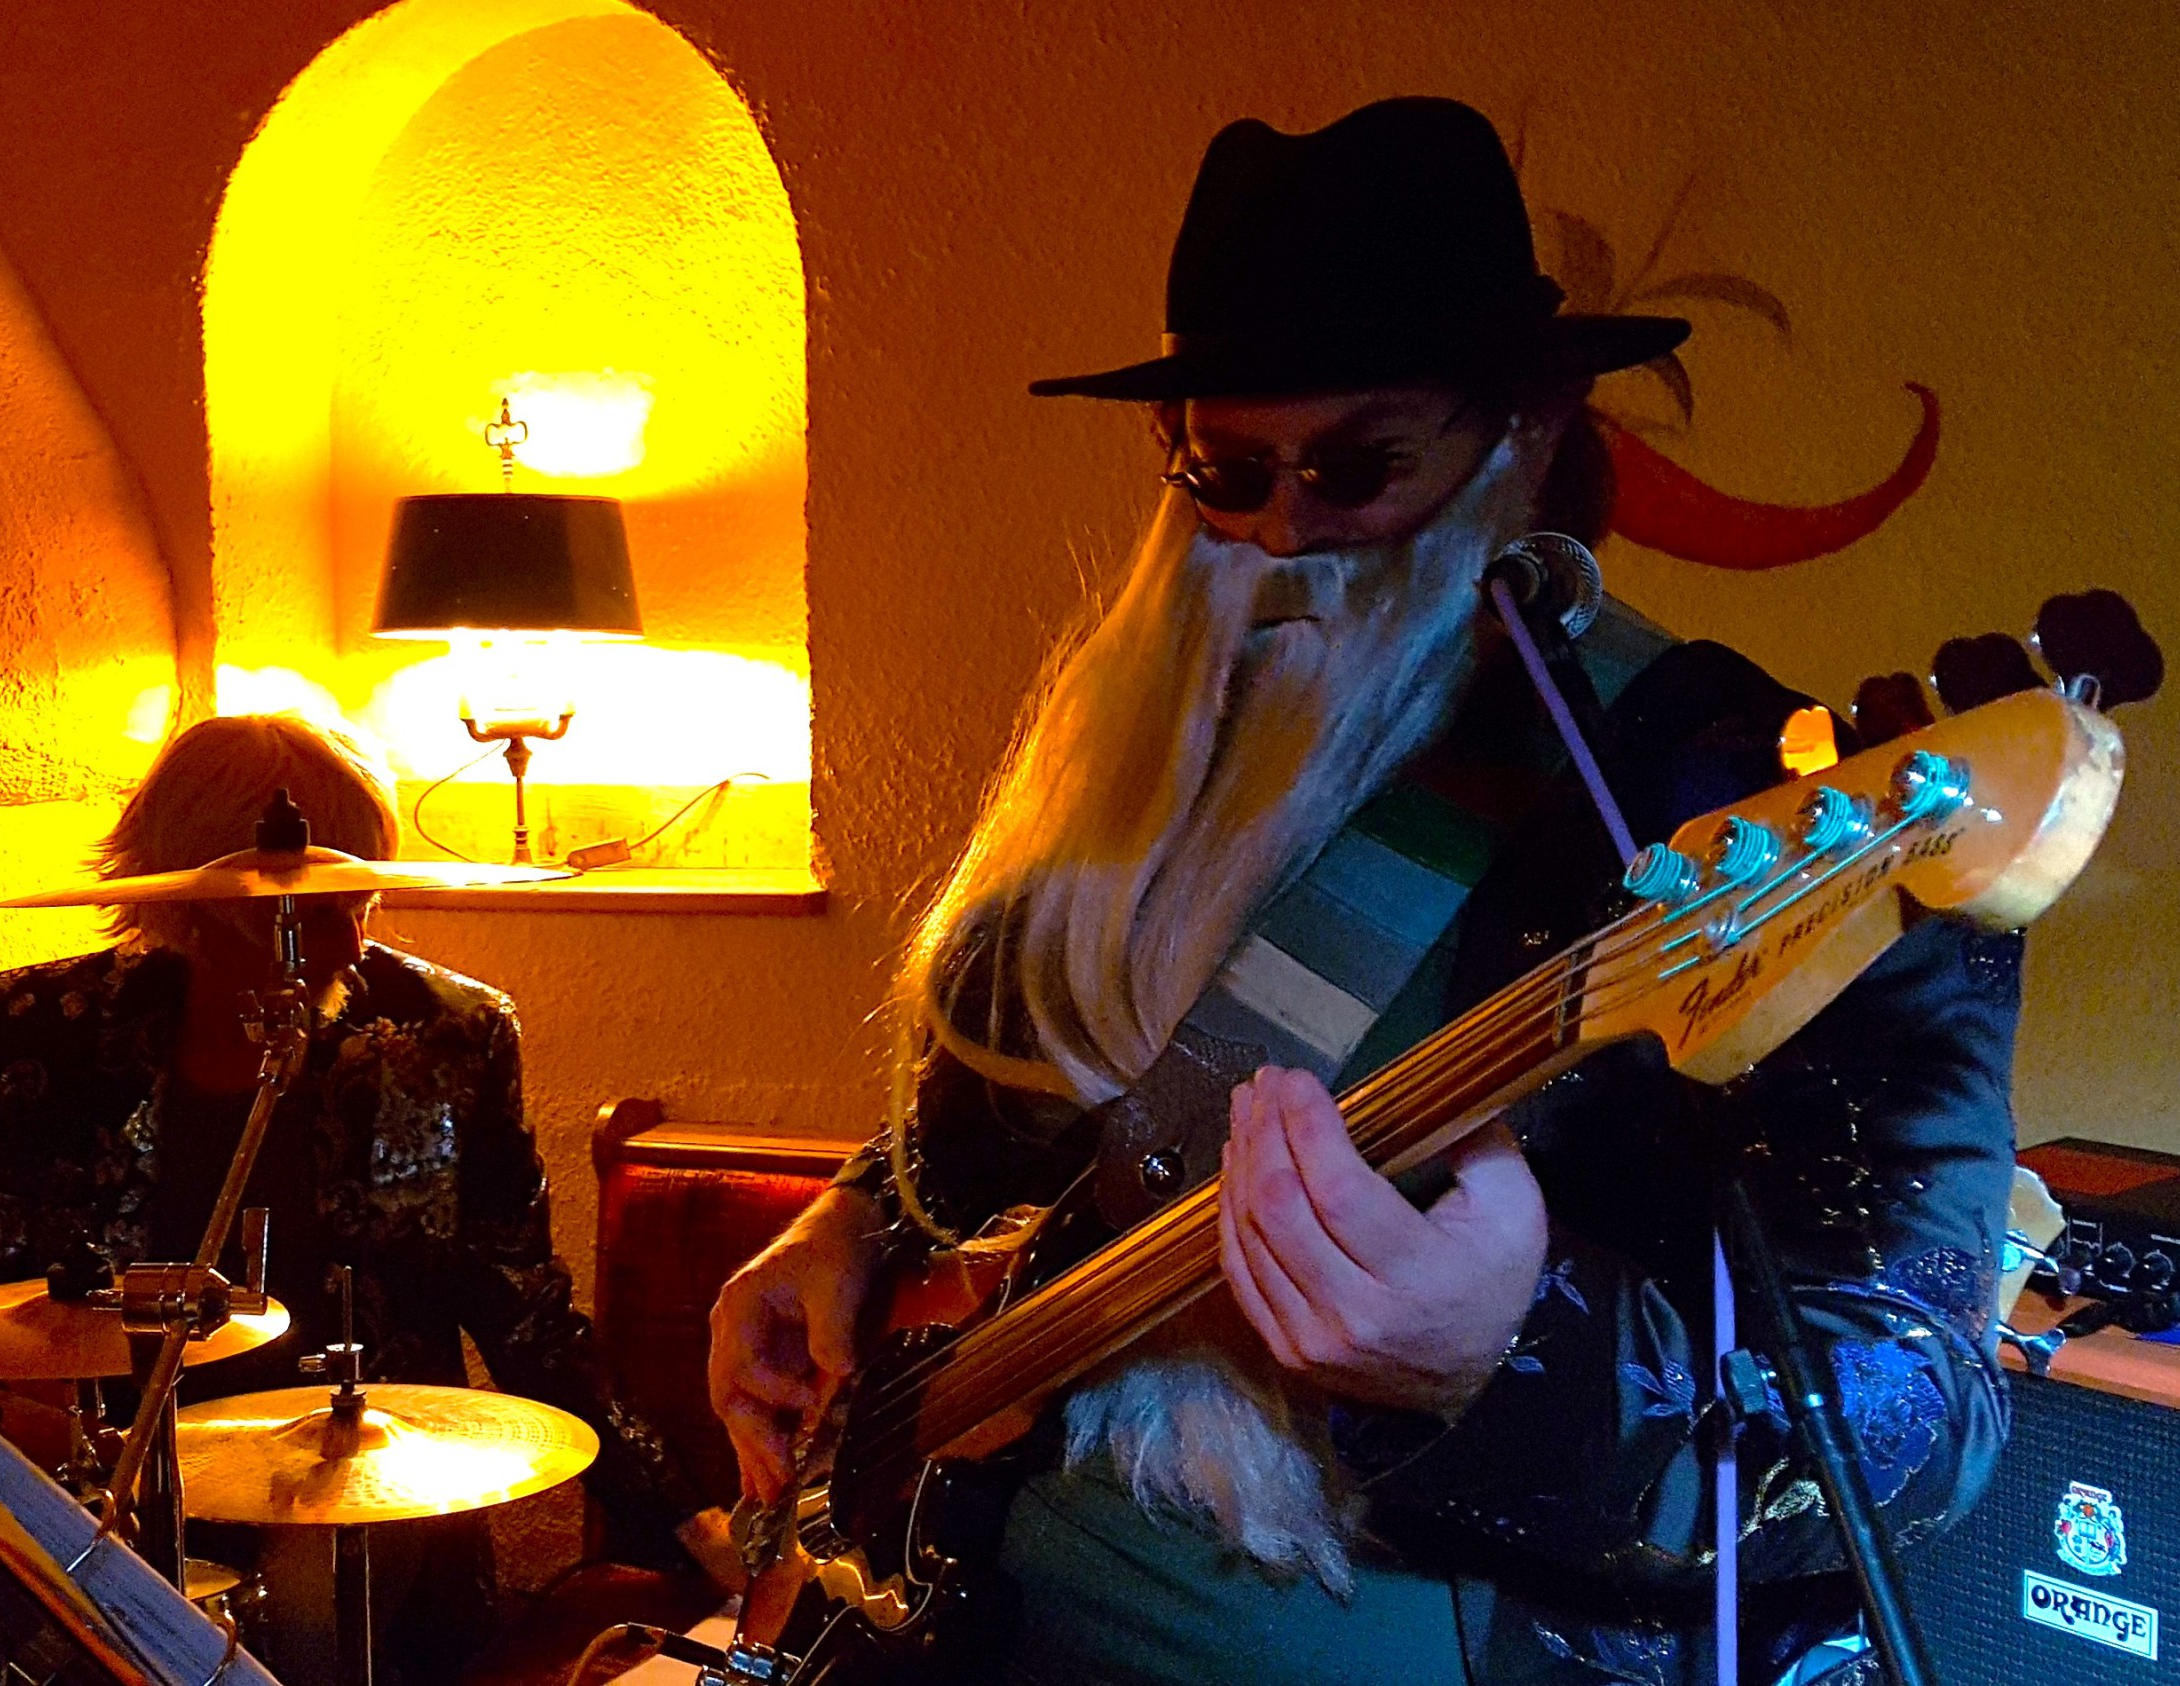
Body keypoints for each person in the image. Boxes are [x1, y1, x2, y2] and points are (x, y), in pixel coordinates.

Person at [709, 98, 2017, 1685]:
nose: (1281, 531)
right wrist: (851, 1220)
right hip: (972, 1608)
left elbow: (1923, 1421)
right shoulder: (1157, 745)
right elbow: (1029, 1133)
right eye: (1224, 467)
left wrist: (1508, 1352)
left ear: (1523, 432)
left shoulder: (1742, 803)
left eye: (1357, 463)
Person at [0, 713, 735, 1684]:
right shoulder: (42, 1026)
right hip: (127, 1498)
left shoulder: (447, 1032)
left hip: (376, 1488)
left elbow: (522, 1308)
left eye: (360, 894)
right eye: (307, 908)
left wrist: (688, 1520)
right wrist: (31, 1445)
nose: (351, 940)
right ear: (192, 897)